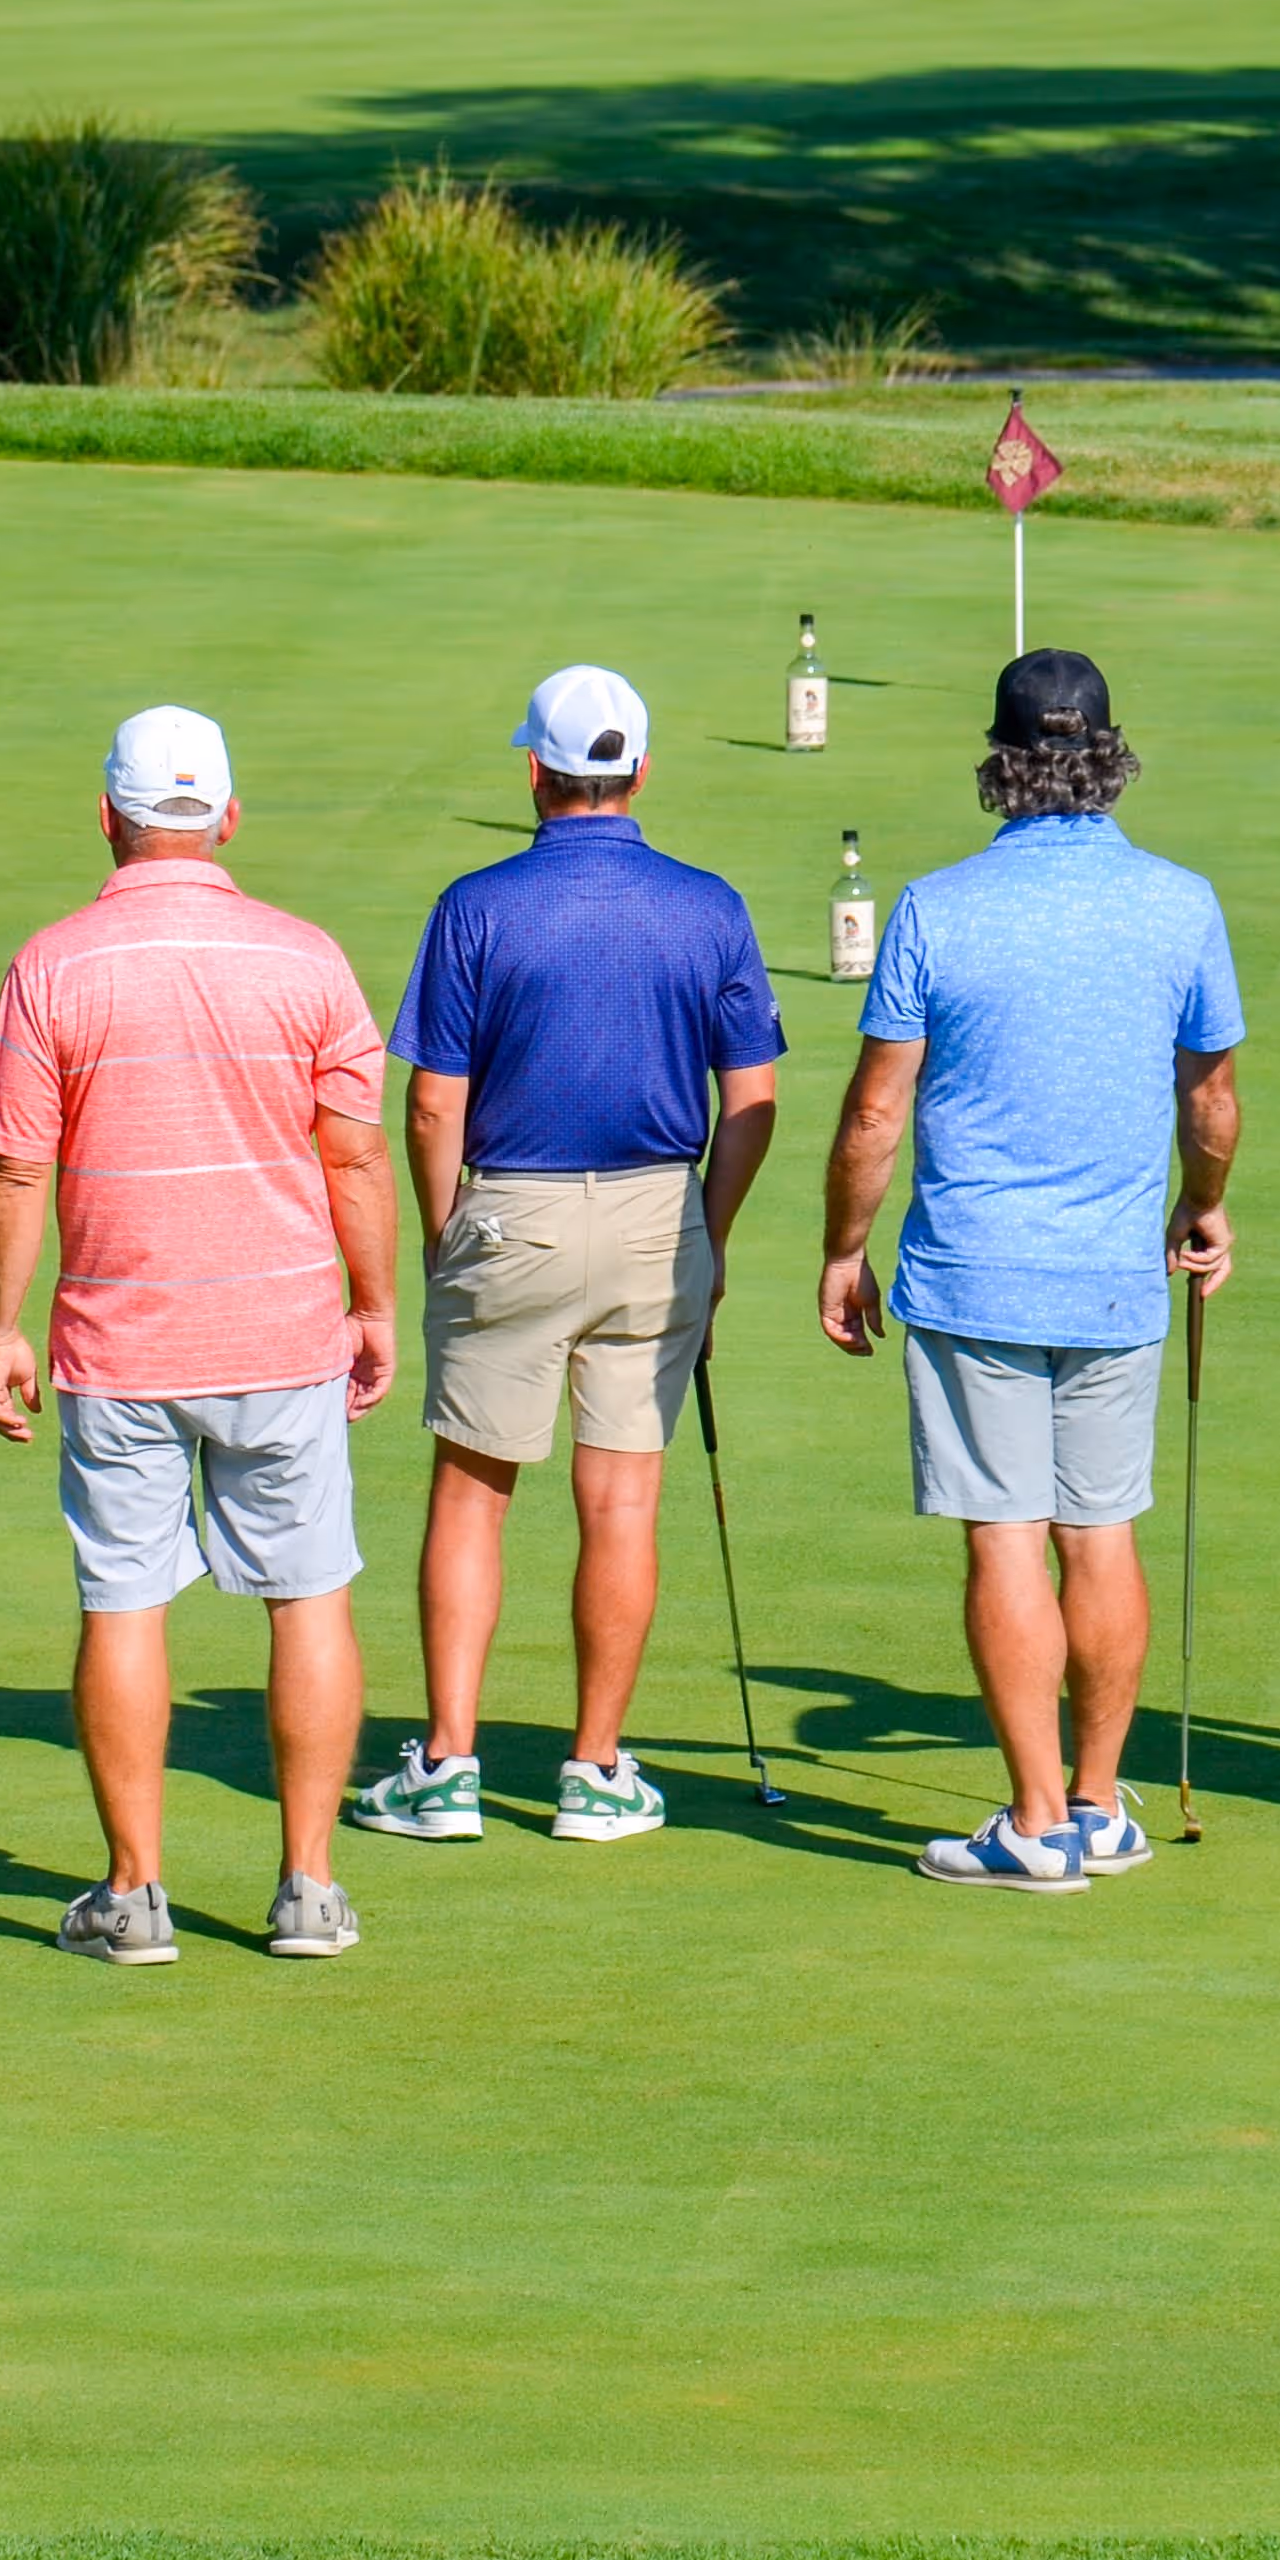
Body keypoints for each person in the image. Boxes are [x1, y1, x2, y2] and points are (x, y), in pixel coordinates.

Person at [0, 706, 401, 1964]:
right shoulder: (306, 957)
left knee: (122, 1605)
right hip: (279, 1331)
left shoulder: (52, 962)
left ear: (106, 817)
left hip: (119, 1341)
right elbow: (356, 1155)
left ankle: (134, 1893)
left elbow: (12, 1172)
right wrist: (372, 1305)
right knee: (308, 1596)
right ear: (225, 817)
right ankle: (309, 1889)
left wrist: (0, 1323)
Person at [817, 649, 1241, 1893]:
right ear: (1109, 752)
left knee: (1006, 1540)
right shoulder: (1179, 900)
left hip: (971, 1279)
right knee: (1097, 1535)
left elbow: (871, 1116)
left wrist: (844, 1249)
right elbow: (1208, 1100)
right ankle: (1099, 1808)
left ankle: (1036, 1819)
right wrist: (1203, 1207)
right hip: (1112, 1276)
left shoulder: (936, 908)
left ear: (1000, 760)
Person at [352, 666, 783, 1848]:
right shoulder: (709, 906)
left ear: (534, 772)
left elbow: (434, 1106)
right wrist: (712, 1233)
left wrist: (445, 1235)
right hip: (659, 1218)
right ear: (637, 771)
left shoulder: (476, 903)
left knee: (472, 1492)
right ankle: (593, 1771)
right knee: (622, 1497)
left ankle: (446, 1769)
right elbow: (751, 1099)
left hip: (511, 1211)